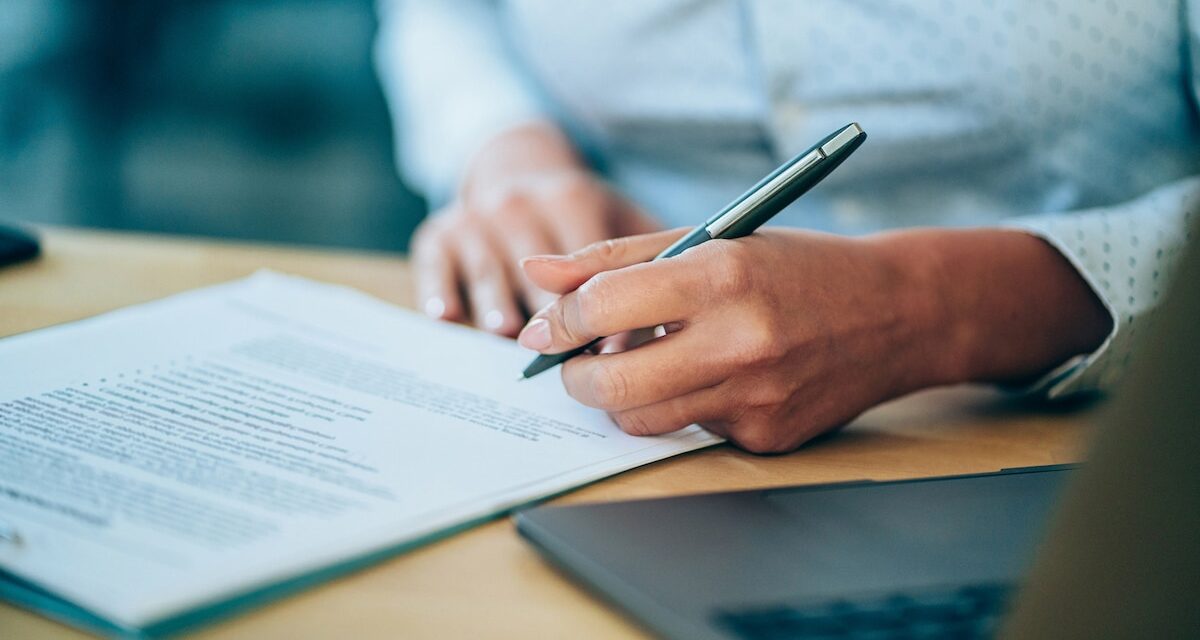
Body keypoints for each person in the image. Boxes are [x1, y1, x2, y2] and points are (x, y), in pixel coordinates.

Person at [375, 1, 1200, 452]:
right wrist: (508, 148)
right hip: (642, 447)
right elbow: (451, 15)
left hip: (1094, 441)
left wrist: (930, 309)